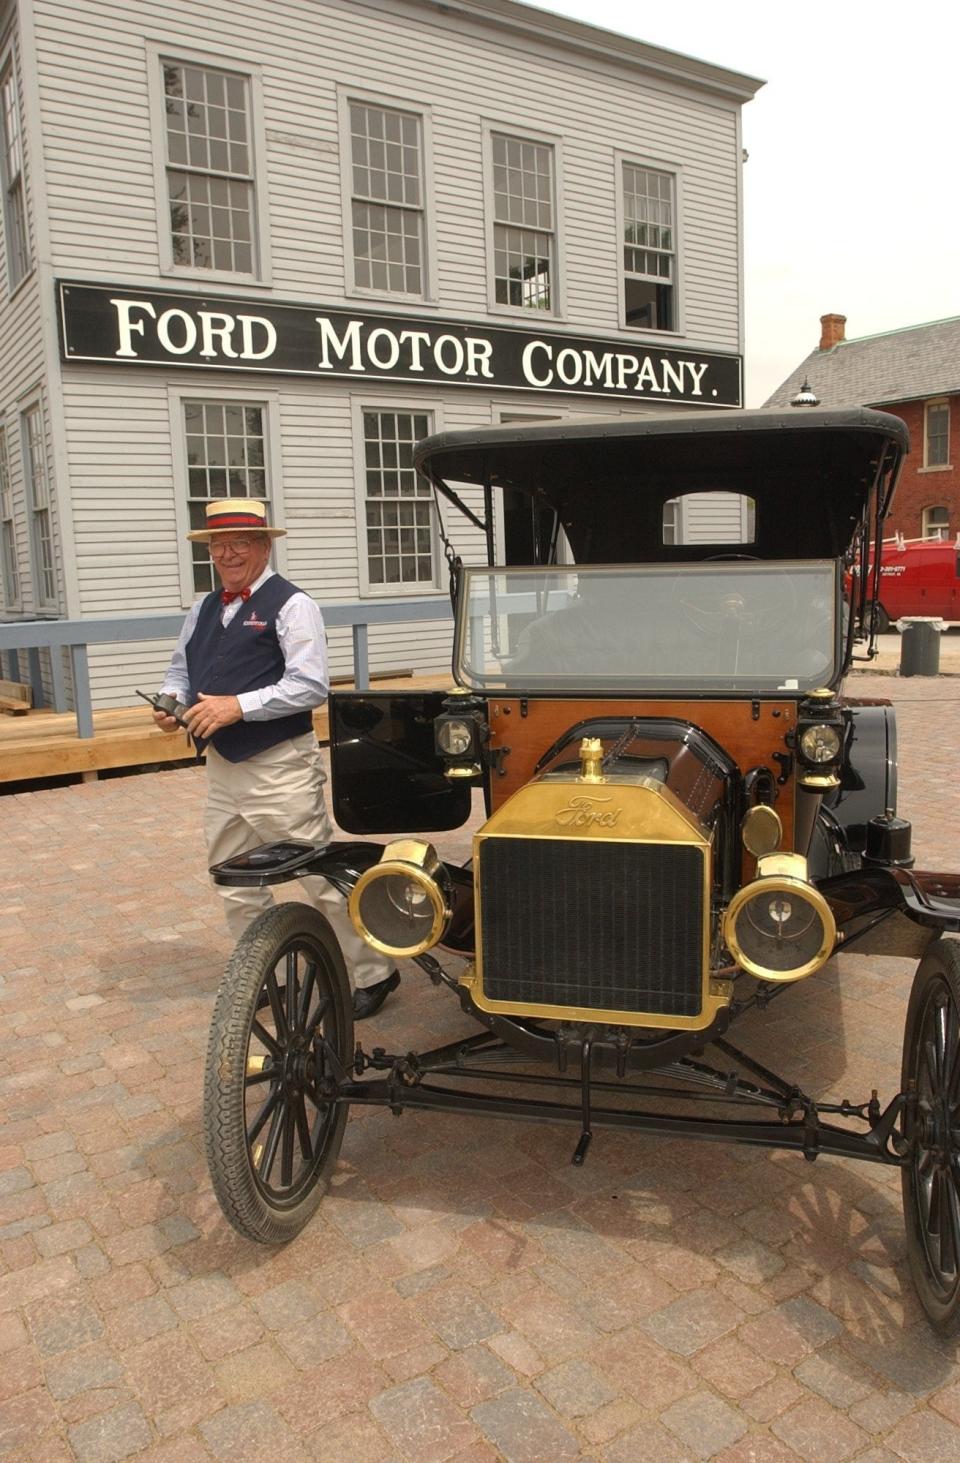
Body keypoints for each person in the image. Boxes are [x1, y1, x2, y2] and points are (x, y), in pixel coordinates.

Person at [153, 498, 400, 1020]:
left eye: (241, 542)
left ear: (265, 546)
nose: (229, 553)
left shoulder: (294, 605)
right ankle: (261, 971)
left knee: (316, 872)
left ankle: (375, 971)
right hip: (222, 765)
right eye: (219, 545)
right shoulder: (202, 608)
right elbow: (180, 669)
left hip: (279, 765)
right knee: (230, 874)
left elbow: (309, 687)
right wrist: (171, 703)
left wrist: (237, 706)